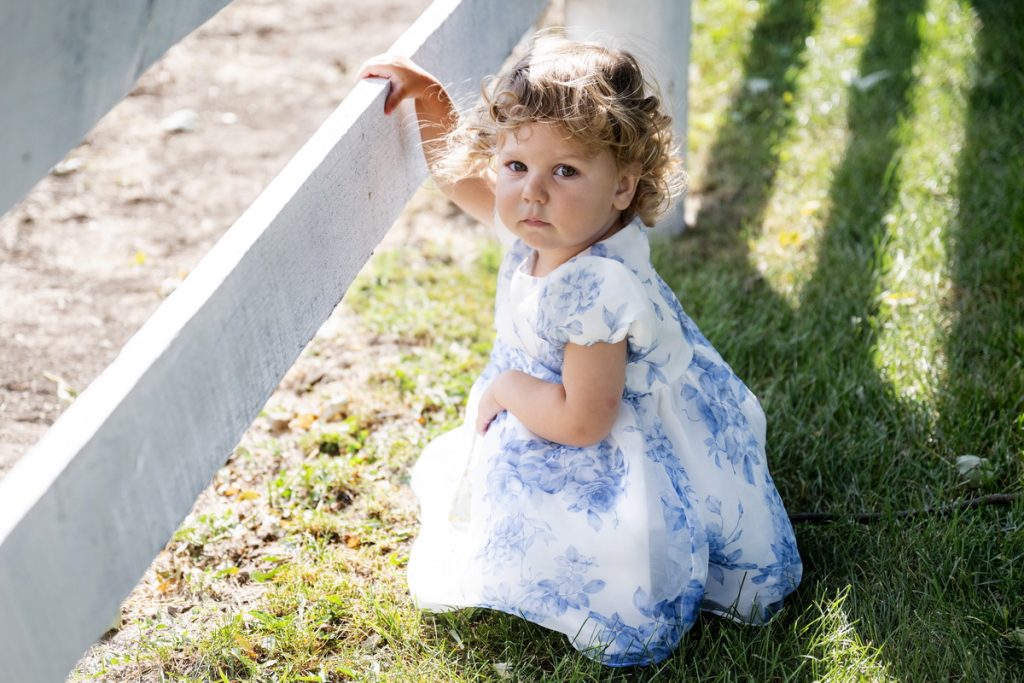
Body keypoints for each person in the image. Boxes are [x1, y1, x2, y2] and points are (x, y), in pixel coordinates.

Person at [358, 34, 802, 667]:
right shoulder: (558, 224)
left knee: (584, 537)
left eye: (565, 171)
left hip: (606, 435)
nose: (532, 193)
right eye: (516, 166)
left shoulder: (595, 289)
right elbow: (463, 184)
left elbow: (584, 421)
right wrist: (429, 99)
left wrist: (507, 388)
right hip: (569, 402)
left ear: (622, 187)